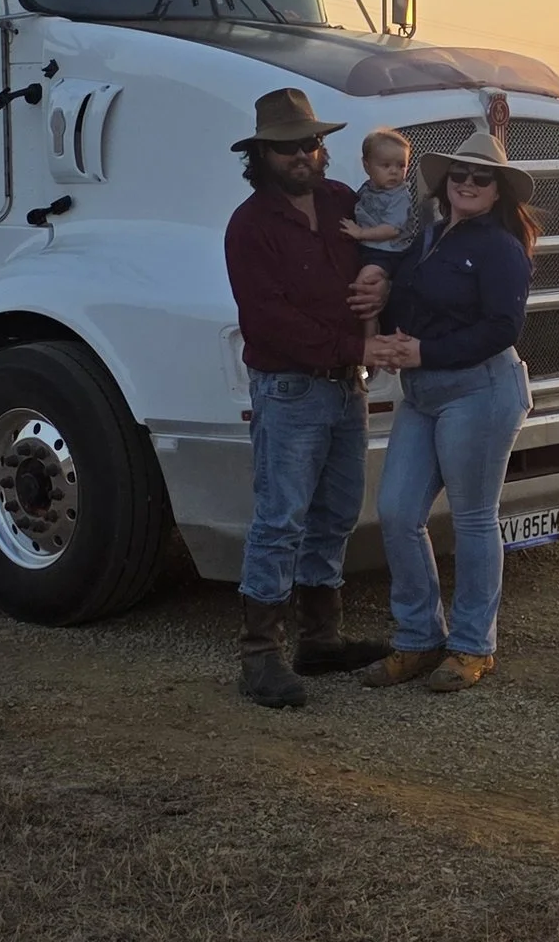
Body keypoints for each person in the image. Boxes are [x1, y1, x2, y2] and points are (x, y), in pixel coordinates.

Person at [221, 85, 391, 707]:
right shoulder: (249, 227)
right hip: (290, 389)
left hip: (345, 388)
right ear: (262, 154)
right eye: (288, 146)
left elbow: (383, 257)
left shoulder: (344, 202)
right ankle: (259, 657)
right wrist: (357, 350)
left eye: (311, 143)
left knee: (336, 514)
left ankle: (321, 640)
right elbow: (269, 322)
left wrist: (381, 288)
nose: (303, 154)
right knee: (280, 519)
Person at [360, 124, 538, 693]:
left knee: (473, 517)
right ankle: (418, 639)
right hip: (424, 392)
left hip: (479, 391)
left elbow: (503, 327)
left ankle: (471, 646)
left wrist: (424, 350)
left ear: (498, 190)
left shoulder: (501, 248)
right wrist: (386, 326)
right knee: (396, 511)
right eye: (458, 173)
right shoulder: (430, 237)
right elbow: (409, 299)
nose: (466, 181)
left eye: (480, 176)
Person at [349, 125, 418, 260]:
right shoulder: (367, 189)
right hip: (367, 245)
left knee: (367, 276)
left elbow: (391, 229)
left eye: (401, 165)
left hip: (387, 252)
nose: (394, 171)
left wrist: (361, 233)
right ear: (366, 166)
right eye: (386, 165)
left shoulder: (400, 196)